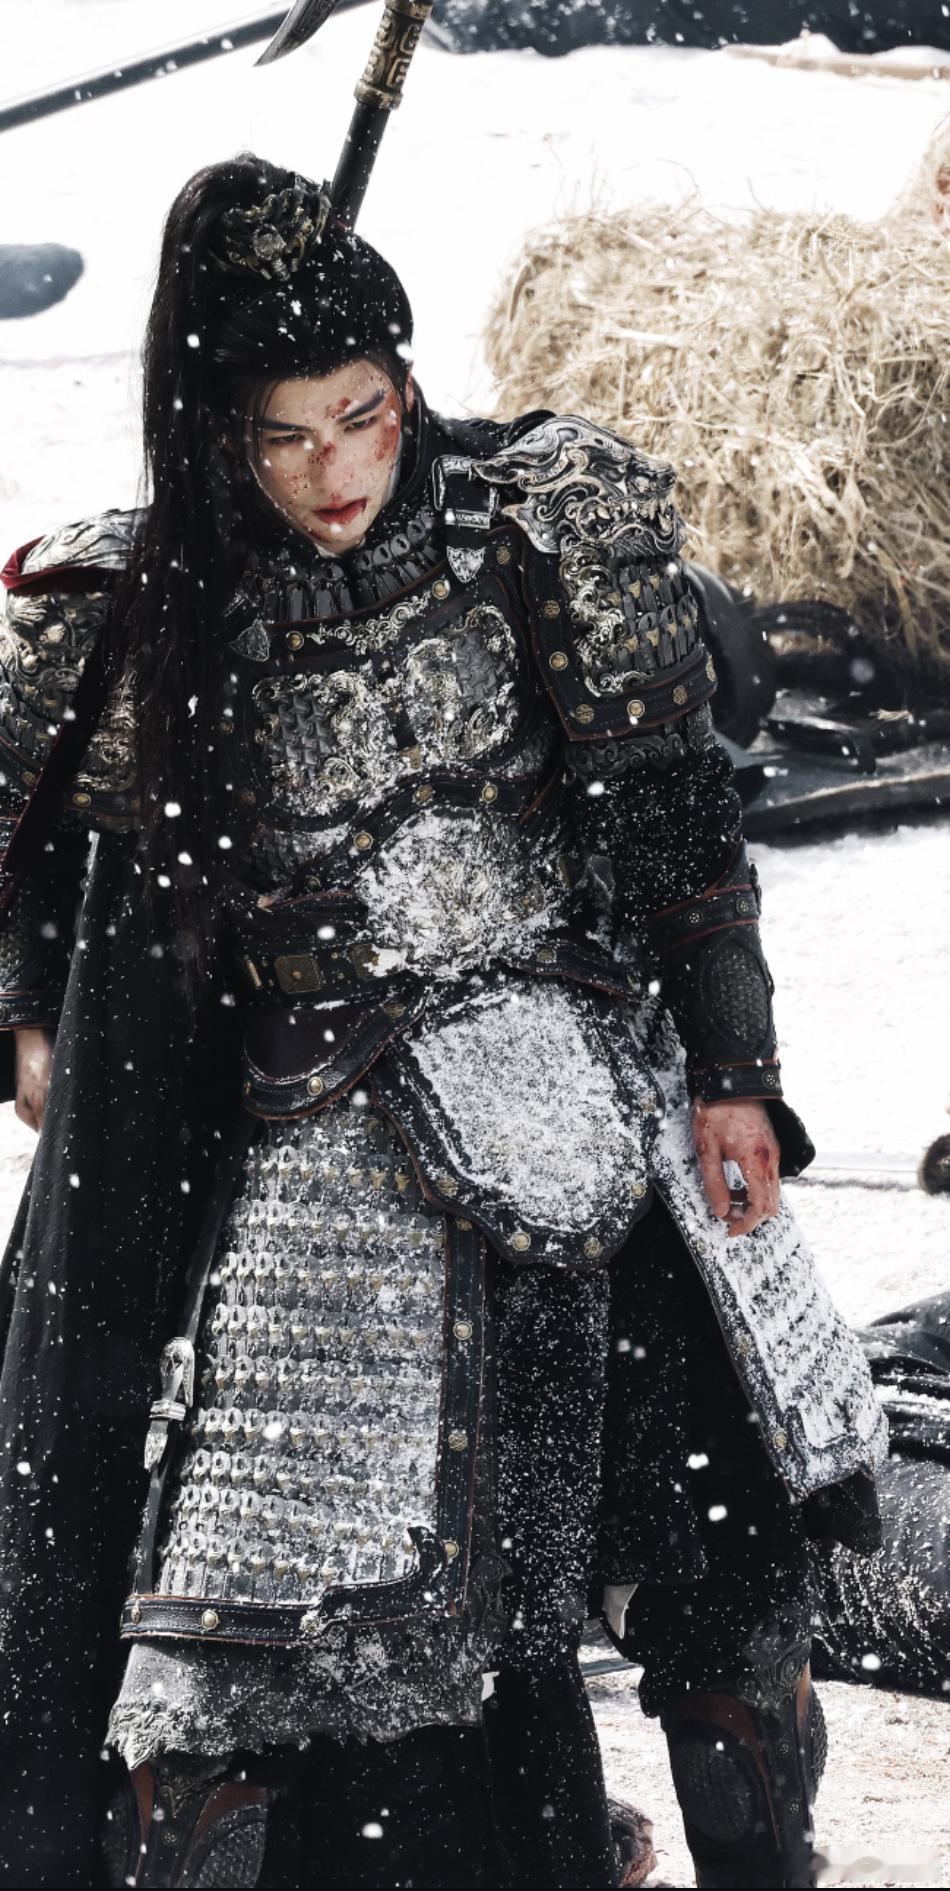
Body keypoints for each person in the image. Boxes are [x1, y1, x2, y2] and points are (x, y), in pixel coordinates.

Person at [0, 154, 885, 1891]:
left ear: (404, 391)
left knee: (724, 1596)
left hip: (589, 1097)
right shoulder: (135, 612)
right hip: (315, 1144)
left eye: (363, 416)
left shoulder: (546, 529)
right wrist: (31, 1013)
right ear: (218, 438)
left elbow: (674, 825)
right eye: (285, 438)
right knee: (245, 1659)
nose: (336, 473)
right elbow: (24, 853)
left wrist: (734, 1072)